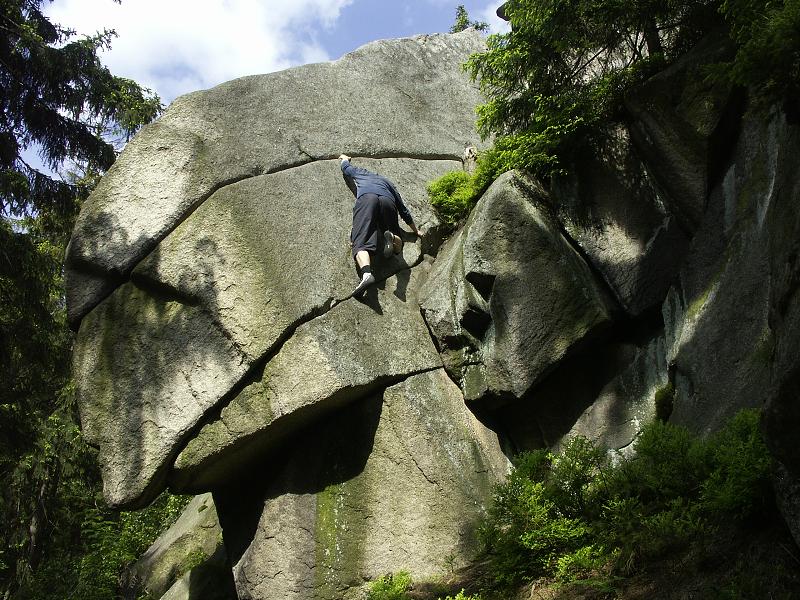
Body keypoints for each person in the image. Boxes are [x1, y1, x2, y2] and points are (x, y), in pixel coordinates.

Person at [339, 154, 419, 296]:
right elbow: (403, 209)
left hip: (367, 198)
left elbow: (346, 169)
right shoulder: (388, 182)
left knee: (360, 241)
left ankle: (367, 274)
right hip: (387, 201)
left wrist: (345, 159)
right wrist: (416, 230)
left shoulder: (361, 173)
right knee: (397, 247)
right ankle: (392, 237)